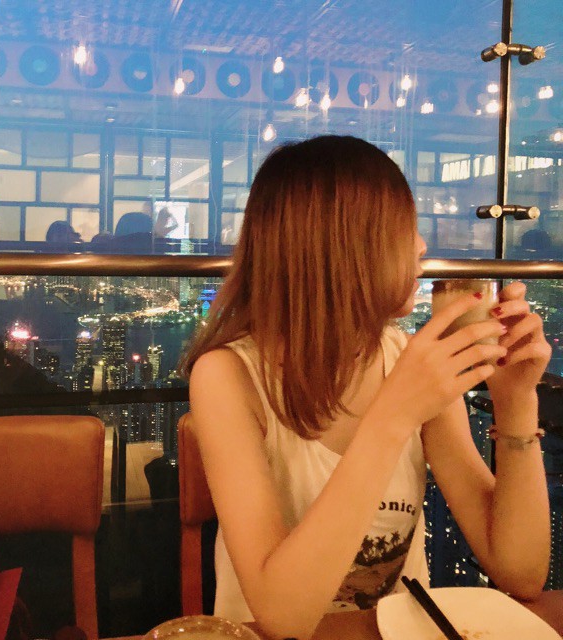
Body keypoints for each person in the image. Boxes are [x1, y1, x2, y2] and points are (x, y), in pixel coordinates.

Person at [181, 136, 551, 639]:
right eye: (405, 229)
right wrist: (394, 415)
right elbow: (282, 617)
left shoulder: (407, 359)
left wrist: (516, 401)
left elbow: (521, 571)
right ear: (347, 247)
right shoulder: (228, 376)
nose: (421, 247)